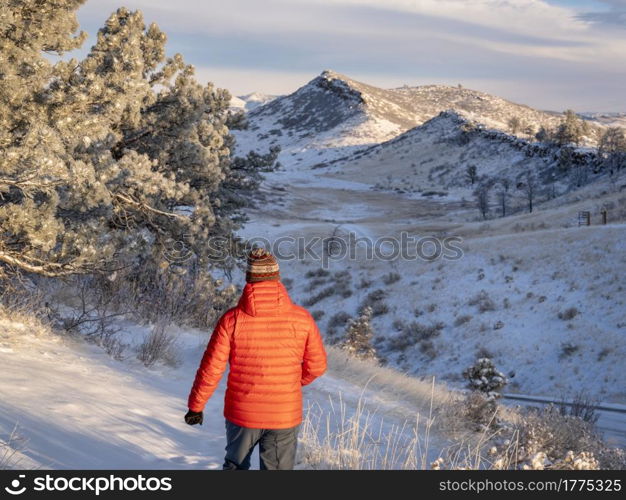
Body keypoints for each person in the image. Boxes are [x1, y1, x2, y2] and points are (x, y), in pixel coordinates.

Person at [184, 248, 327, 470]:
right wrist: (290, 382)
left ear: (249, 278)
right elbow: (317, 366)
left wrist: (196, 406)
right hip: (283, 413)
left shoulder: (231, 320)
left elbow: (211, 368)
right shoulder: (302, 319)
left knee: (235, 467)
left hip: (242, 413)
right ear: (276, 277)